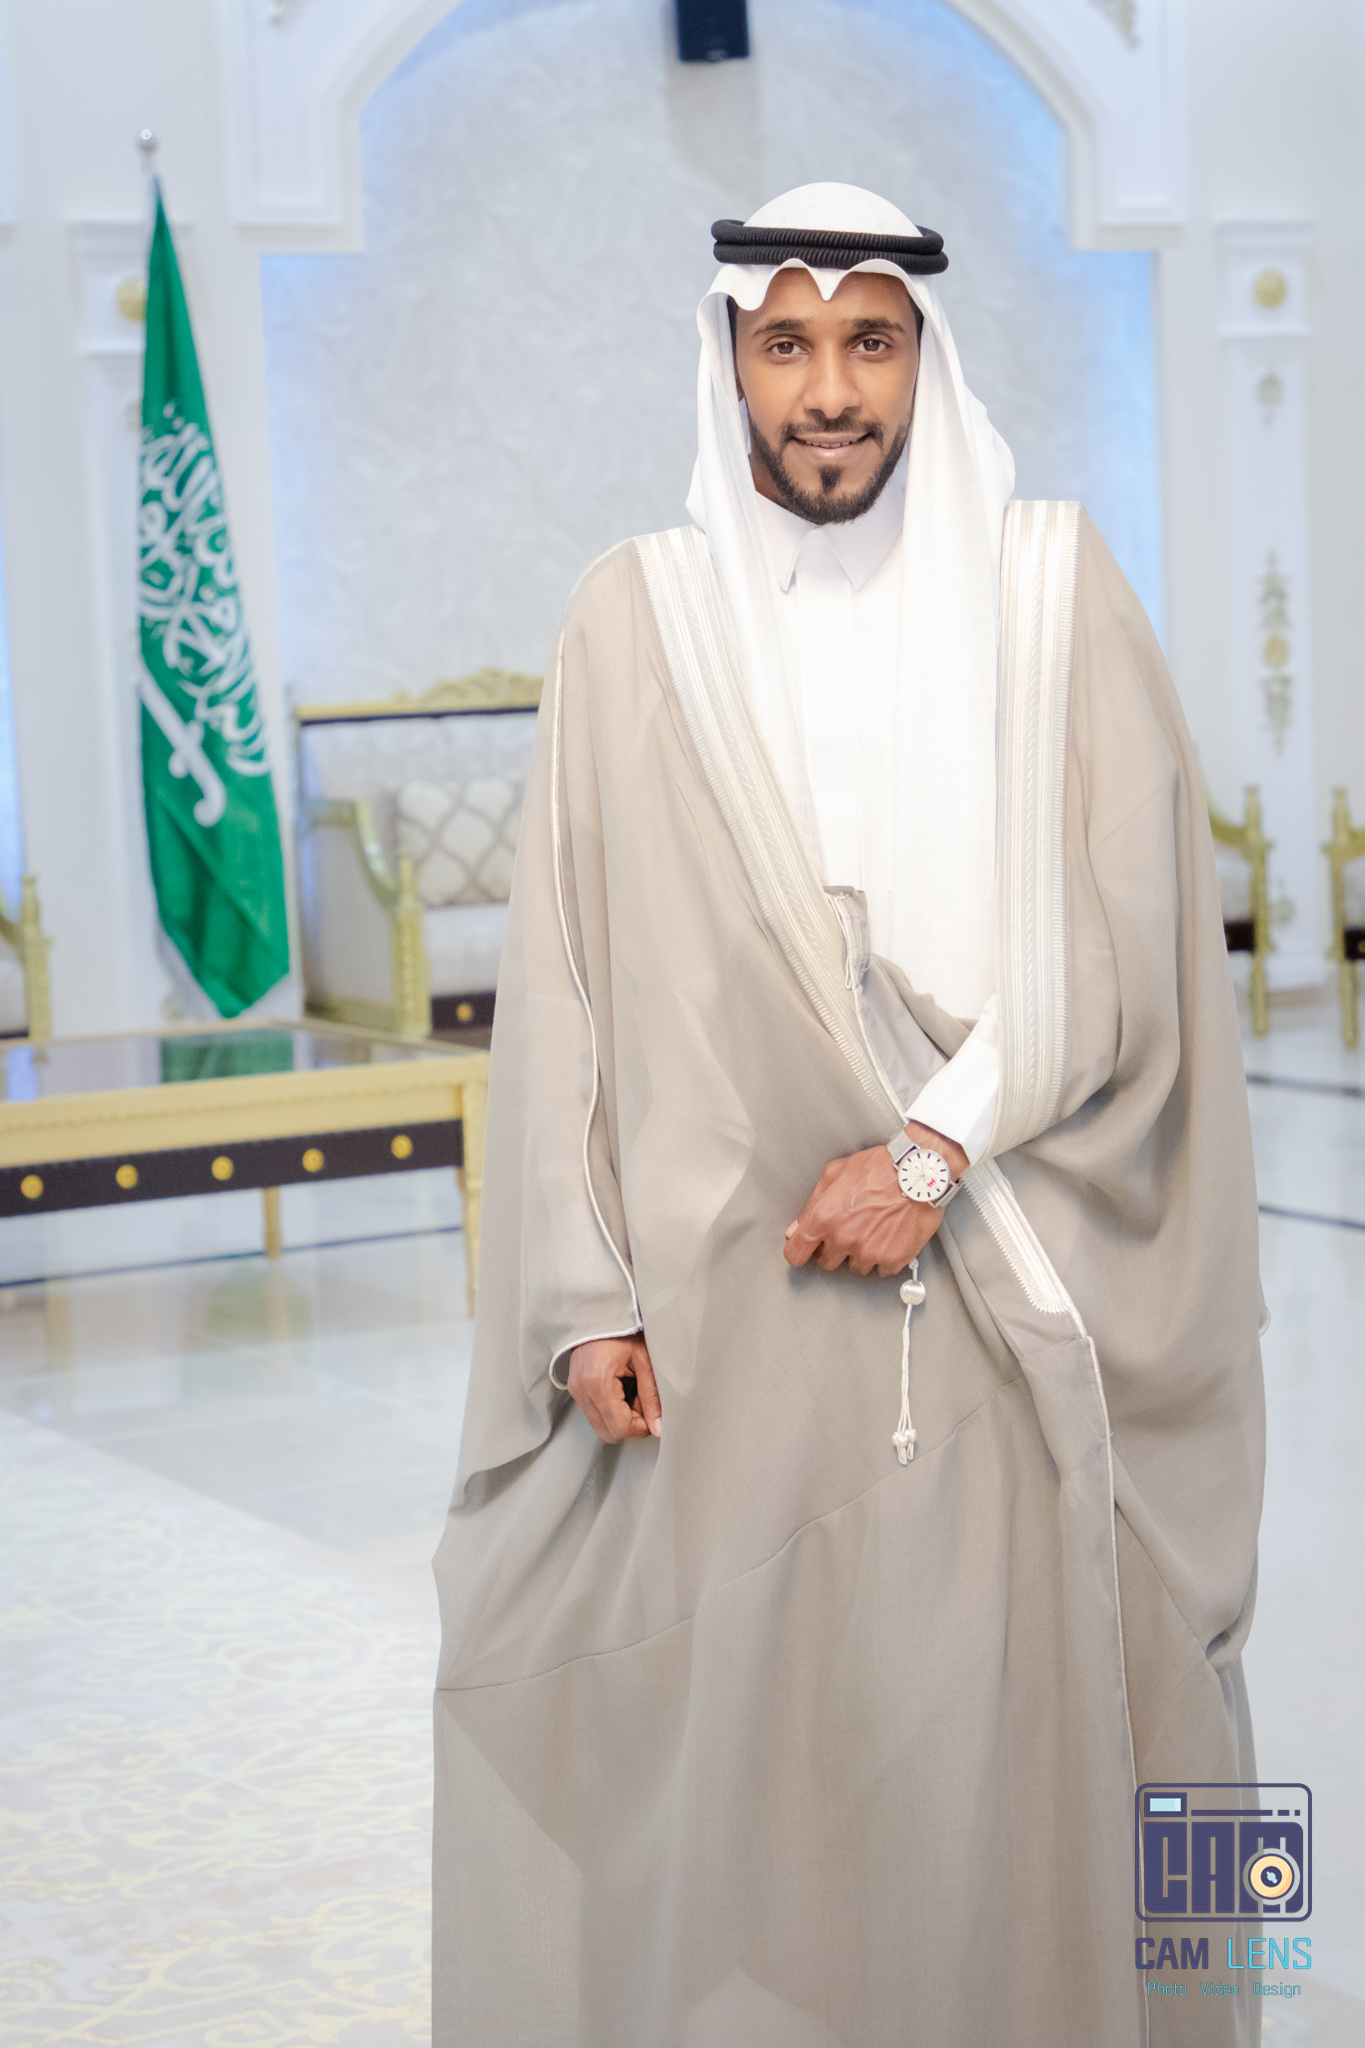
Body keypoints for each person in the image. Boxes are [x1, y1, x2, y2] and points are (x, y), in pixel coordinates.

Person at [432, 185, 1264, 2048]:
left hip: (1027, 1245)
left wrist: (930, 1150)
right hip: (730, 1292)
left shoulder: (1050, 585)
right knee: (762, 1747)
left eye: (869, 342)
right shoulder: (632, 618)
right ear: (728, 359)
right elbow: (561, 978)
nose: (828, 390)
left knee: (1070, 1705)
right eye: (787, 342)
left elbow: (1128, 928)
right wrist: (578, 1293)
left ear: (923, 360)